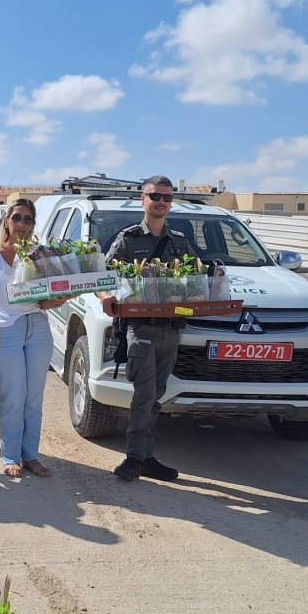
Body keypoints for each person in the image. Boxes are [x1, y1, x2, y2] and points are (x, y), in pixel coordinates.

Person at [99, 175, 188, 483]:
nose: (161, 201)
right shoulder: (128, 238)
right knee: (144, 394)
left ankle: (147, 457)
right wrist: (105, 298)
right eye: (155, 196)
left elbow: (193, 280)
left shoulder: (180, 241)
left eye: (166, 197)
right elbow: (104, 277)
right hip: (141, 330)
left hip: (171, 331)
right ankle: (135, 457)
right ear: (143, 199)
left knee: (157, 395)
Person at [0, 198, 68, 477]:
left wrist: (54, 301)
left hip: (37, 327)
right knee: (13, 397)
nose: (22, 224)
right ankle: (10, 456)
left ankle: (31, 455)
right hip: (5, 330)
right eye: (17, 218)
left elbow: (48, 296)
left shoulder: (39, 255)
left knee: (33, 398)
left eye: (28, 219)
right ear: (6, 220)